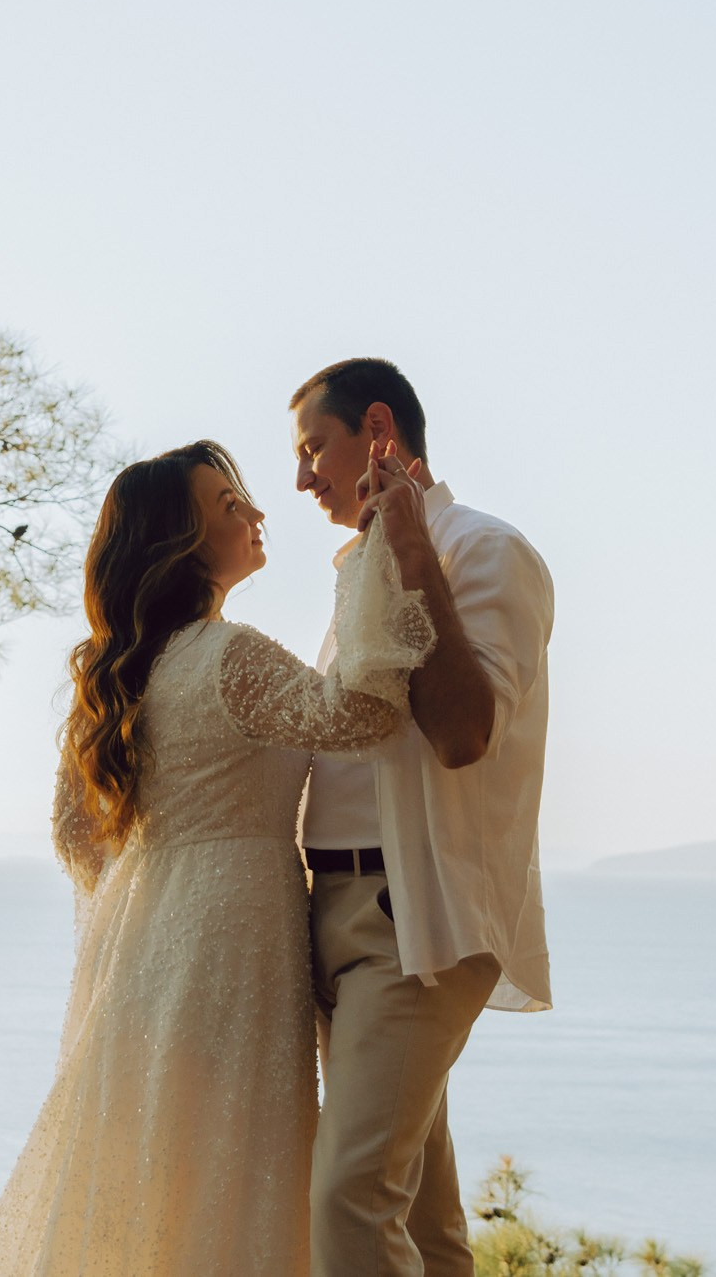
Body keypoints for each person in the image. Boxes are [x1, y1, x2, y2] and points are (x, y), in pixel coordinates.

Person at [0, 439, 436, 1277]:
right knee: (232, 1164)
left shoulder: (115, 672)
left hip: (144, 943)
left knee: (155, 1168)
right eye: (228, 505)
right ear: (177, 541)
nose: (255, 512)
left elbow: (78, 838)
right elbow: (364, 716)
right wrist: (373, 558)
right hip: (235, 934)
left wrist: (151, 885)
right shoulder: (228, 655)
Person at [289, 358, 556, 1277]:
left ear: (377, 430)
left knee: (348, 1198)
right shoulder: (352, 570)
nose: (301, 478)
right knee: (431, 1225)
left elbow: (464, 731)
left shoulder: (487, 551)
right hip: (339, 915)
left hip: (415, 921)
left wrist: (410, 553)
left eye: (313, 448)